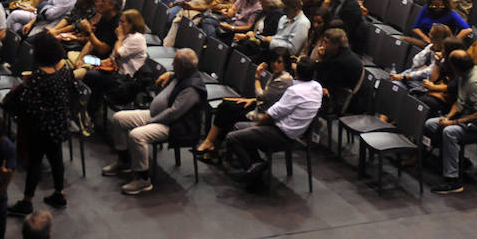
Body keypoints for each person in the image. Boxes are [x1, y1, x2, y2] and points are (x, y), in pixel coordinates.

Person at [102, 49, 207, 196]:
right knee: (119, 118)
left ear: (183, 67)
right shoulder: (182, 75)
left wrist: (152, 121)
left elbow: (174, 113)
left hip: (176, 126)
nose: (171, 64)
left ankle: (143, 179)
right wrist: (170, 74)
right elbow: (174, 77)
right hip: (157, 116)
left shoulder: (192, 88)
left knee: (137, 135)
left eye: (175, 63)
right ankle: (124, 160)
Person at [223, 55, 323, 191]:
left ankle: (254, 170)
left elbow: (271, 115)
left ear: (297, 72)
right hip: (297, 132)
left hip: (281, 134)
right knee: (238, 127)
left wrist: (256, 127)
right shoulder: (317, 87)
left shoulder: (294, 91)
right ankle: (255, 166)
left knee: (232, 137)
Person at [8, 34, 75, 215]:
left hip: (41, 126)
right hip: (59, 121)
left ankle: (27, 201)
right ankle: (59, 193)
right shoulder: (64, 69)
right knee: (56, 159)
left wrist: (25, 85)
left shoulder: (40, 76)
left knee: (35, 163)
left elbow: (30, 104)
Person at [424, 49, 477, 194]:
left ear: (455, 66)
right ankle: (457, 161)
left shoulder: (474, 82)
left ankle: (453, 180)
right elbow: (459, 103)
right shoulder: (464, 75)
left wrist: (452, 123)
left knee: (449, 132)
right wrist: (448, 117)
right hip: (469, 117)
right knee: (430, 124)